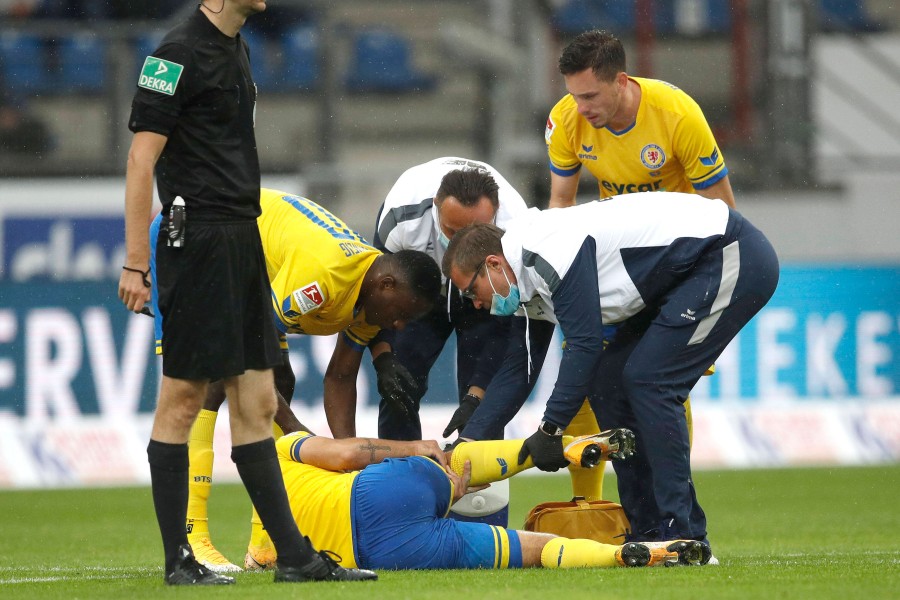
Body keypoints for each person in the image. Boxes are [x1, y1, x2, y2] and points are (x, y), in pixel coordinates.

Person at [117, 0, 375, 586]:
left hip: (242, 237)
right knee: (183, 397)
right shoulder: (173, 53)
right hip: (197, 238)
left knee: (256, 399)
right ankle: (178, 560)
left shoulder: (236, 44)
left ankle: (294, 558)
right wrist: (136, 261)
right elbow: (140, 159)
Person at [441, 192, 779, 551]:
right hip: (688, 273)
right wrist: (468, 444)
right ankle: (649, 532)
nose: (475, 304)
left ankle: (686, 535)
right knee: (607, 384)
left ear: (493, 263)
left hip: (730, 253)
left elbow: (584, 345)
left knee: (650, 382)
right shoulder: (521, 277)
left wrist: (550, 429)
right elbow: (518, 369)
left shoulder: (543, 253)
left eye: (470, 291)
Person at [146, 189, 441, 572]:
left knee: (280, 379)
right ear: (386, 285)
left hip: (247, 261)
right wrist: (298, 433)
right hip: (195, 237)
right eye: (402, 313)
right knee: (208, 379)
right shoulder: (323, 277)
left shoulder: (371, 295)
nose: (399, 325)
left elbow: (340, 375)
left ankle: (264, 544)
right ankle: (194, 538)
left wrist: (344, 457)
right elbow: (243, 352)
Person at [271, 427, 710, 570]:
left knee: (535, 551)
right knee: (453, 458)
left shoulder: (262, 550)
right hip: (372, 494)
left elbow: (271, 561)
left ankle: (636, 554)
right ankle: (570, 447)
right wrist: (417, 450)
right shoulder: (281, 450)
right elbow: (348, 453)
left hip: (382, 551)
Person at [372, 158, 546, 442]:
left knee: (481, 410)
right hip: (421, 291)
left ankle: (482, 480)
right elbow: (377, 298)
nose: (460, 244)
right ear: (434, 206)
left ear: (496, 216)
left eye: (474, 230)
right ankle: (400, 478)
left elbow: (508, 326)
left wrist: (477, 396)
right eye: (452, 230)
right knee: (398, 385)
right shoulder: (401, 217)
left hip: (486, 292)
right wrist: (384, 358)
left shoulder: (517, 227)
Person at [545, 30, 736, 209]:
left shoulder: (679, 115)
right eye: (574, 96)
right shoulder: (563, 118)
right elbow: (561, 202)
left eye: (589, 96)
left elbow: (724, 213)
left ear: (621, 82)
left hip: (679, 233)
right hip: (618, 234)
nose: (581, 109)